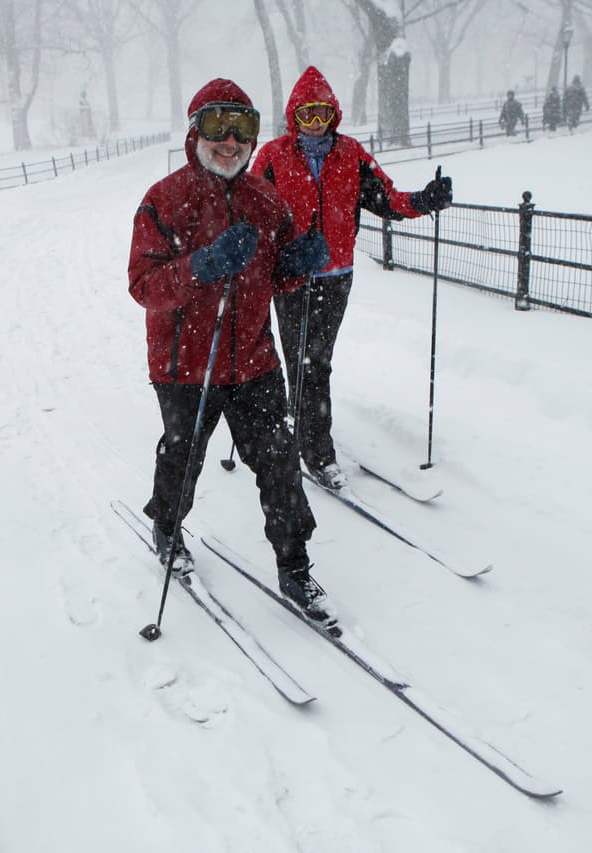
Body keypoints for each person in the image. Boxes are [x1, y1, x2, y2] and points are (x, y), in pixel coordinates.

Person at [128, 78, 334, 621]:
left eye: (243, 129)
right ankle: (167, 527)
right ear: (196, 130)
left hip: (254, 362)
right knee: (184, 455)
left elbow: (276, 277)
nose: (231, 141)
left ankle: (295, 566)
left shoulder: (265, 201)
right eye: (218, 125)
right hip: (184, 364)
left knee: (279, 463)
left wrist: (296, 263)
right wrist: (202, 266)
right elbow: (144, 286)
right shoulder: (164, 200)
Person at [251, 65, 454, 492]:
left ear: (334, 114)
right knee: (305, 361)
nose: (315, 123)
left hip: (336, 277)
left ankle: (302, 417)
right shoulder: (272, 156)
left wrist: (424, 201)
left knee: (316, 361)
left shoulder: (352, 155)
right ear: (293, 115)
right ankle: (318, 453)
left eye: (322, 113)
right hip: (290, 277)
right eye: (306, 114)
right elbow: (252, 212)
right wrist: (272, 254)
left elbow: (388, 199)